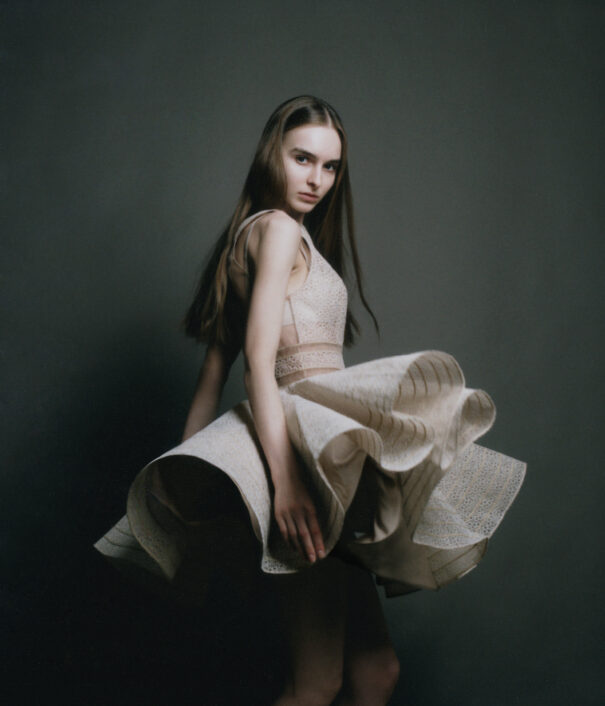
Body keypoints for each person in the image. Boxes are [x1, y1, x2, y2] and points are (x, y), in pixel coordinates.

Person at [95, 95, 526, 705]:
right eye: (302, 158)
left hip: (327, 459)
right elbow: (254, 366)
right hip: (303, 464)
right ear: (270, 152)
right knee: (316, 683)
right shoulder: (274, 230)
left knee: (377, 671)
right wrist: (284, 485)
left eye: (330, 167)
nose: (317, 179)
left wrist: (186, 478)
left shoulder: (254, 238)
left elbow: (211, 375)